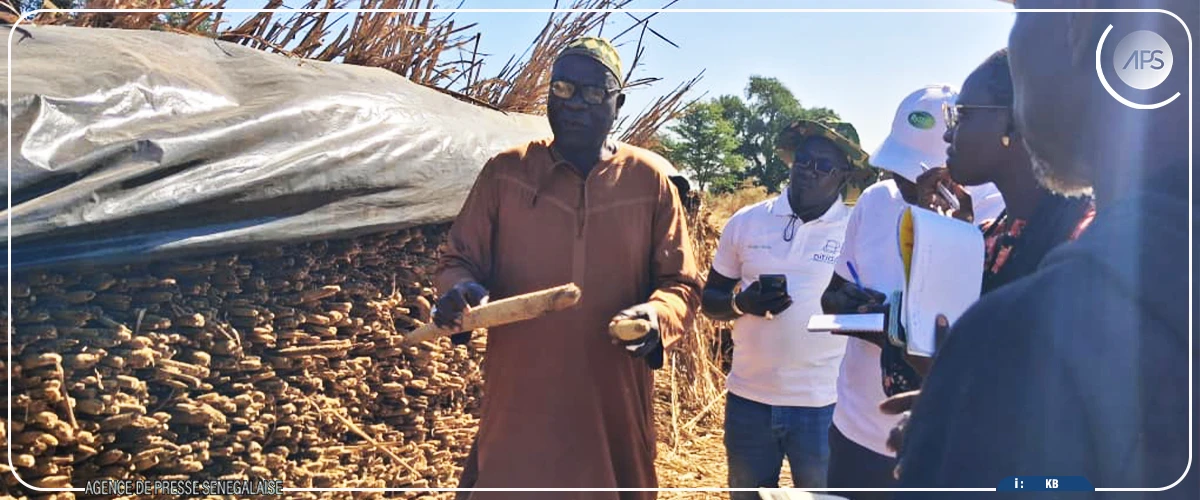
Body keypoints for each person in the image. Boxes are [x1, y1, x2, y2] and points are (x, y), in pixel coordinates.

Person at [891, 1, 1195, 495]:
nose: (949, 132)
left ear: (1080, 22)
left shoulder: (1024, 331)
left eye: (1022, 10)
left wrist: (966, 394)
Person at [432, 37, 702, 499]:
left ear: (618, 103)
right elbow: (458, 259)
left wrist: (656, 316)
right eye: (562, 89)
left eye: (594, 93)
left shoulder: (647, 182)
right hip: (520, 404)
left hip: (611, 405)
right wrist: (461, 291)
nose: (575, 103)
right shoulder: (507, 173)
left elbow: (681, 283)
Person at [699, 119, 871, 495]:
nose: (809, 172)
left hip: (824, 405)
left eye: (824, 166)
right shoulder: (746, 222)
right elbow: (710, 301)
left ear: (844, 175)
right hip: (749, 401)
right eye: (804, 160)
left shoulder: (857, 231)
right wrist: (741, 303)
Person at [818, 84, 965, 499]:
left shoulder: (990, 215)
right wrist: (849, 305)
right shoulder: (875, 200)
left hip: (937, 446)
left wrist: (896, 332)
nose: (898, 180)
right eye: (895, 167)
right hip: (856, 431)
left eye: (913, 172)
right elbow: (833, 293)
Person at [925, 48, 1096, 296]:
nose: (948, 134)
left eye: (962, 115)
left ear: (1016, 122)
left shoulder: (1087, 240)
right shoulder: (989, 238)